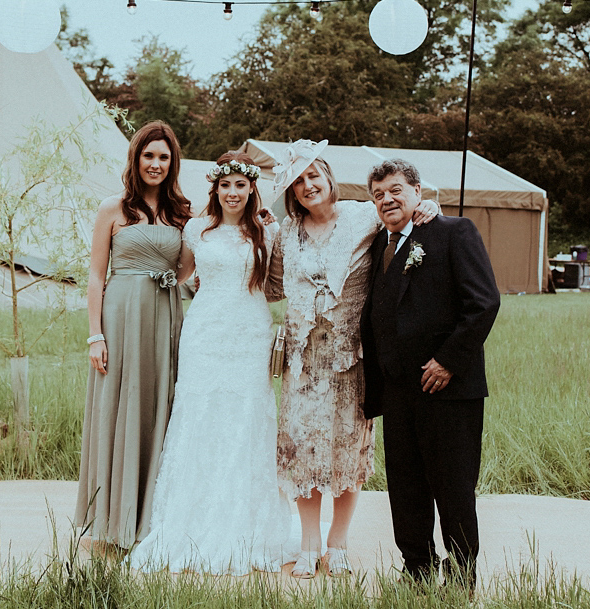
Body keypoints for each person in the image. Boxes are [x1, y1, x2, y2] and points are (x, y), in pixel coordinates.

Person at [265, 139, 438, 578]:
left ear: (328, 177)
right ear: (292, 191)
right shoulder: (287, 229)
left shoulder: (365, 216)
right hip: (304, 360)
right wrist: (255, 234)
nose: (308, 186)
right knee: (301, 448)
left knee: (347, 447)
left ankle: (337, 543)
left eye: (314, 176)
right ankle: (308, 543)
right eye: (299, 181)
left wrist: (429, 206)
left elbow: (404, 208)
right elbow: (272, 287)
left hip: (353, 358)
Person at [130, 152, 293, 574]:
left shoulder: (267, 230)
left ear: (252, 188)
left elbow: (276, 286)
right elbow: (179, 274)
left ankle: (244, 524)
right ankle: (188, 522)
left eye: (241, 185)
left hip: (249, 334)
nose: (233, 193)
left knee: (245, 420)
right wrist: (136, 282)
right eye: (226, 185)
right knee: (199, 417)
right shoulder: (197, 228)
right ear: (215, 188)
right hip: (204, 334)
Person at [360, 158, 500, 592]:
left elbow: (484, 303)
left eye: (396, 190)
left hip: (448, 390)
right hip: (398, 392)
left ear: (418, 191)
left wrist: (448, 361)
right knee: (405, 490)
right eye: (379, 194)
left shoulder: (453, 232)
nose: (388, 199)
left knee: (454, 490)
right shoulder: (376, 247)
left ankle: (460, 581)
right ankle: (417, 570)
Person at [75, 121, 194, 550]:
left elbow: (190, 268)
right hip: (121, 316)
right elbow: (94, 275)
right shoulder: (113, 208)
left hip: (165, 317)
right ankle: (114, 520)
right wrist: (95, 335)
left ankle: (150, 519)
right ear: (136, 158)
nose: (156, 164)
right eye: (149, 156)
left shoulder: (184, 213)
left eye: (164, 157)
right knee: (119, 406)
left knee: (159, 404)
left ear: (172, 162)